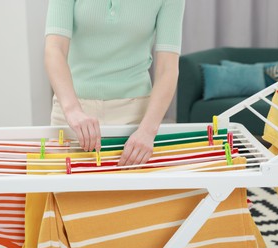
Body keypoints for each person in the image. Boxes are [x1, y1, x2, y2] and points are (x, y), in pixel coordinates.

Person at [45, 0, 185, 166]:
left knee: (132, 192)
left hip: (135, 120)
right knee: (62, 190)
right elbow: (54, 49)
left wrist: (148, 131)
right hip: (73, 115)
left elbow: (167, 69)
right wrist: (72, 110)